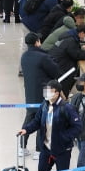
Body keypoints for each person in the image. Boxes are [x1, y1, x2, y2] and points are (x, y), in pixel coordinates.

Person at [18, 80, 81, 171]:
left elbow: (77, 126)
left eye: (50, 91)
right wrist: (26, 129)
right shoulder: (44, 105)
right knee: (43, 170)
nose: (46, 94)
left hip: (62, 149)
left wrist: (65, 137)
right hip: (47, 147)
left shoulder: (66, 108)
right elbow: (37, 121)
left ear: (57, 93)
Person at [20, 32, 61, 160]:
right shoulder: (43, 57)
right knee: (43, 120)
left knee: (29, 117)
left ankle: (22, 147)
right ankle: (39, 150)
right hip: (44, 92)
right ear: (37, 42)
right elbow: (55, 72)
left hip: (30, 91)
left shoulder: (24, 56)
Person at [48, 25, 85, 96]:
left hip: (56, 63)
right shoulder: (71, 41)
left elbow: (73, 51)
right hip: (61, 66)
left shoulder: (70, 35)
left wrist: (83, 48)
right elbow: (77, 55)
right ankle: (62, 99)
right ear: (81, 33)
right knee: (63, 84)